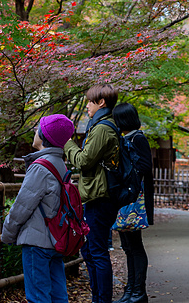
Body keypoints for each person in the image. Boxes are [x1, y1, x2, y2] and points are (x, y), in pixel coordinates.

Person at [1, 114, 75, 303]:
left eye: (37, 129)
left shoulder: (40, 167)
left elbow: (22, 206)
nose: (35, 132)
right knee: (59, 296)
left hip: (37, 242)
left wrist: (7, 234)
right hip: (56, 238)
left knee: (38, 297)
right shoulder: (61, 164)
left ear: (44, 136)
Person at [64, 84, 119, 303]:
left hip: (99, 197)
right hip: (97, 195)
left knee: (96, 252)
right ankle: (98, 297)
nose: (87, 105)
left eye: (89, 101)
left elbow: (84, 161)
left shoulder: (103, 128)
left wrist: (67, 143)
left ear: (101, 102)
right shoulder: (103, 125)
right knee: (90, 251)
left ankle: (102, 300)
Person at [112, 102, 154, 303]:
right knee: (128, 247)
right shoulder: (125, 138)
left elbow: (145, 166)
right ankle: (130, 290)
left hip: (134, 199)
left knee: (135, 246)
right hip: (125, 198)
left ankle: (139, 291)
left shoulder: (137, 138)